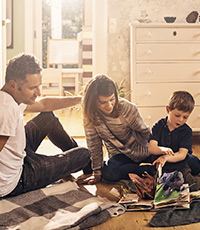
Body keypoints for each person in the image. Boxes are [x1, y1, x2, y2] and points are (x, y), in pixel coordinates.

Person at [0, 53, 91, 198]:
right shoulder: (7, 109)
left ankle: (85, 165)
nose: (38, 92)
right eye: (32, 88)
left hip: (19, 155)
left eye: (39, 86)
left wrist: (80, 99)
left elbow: (44, 104)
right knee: (84, 154)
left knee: (47, 117)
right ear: (13, 84)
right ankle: (88, 165)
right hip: (17, 180)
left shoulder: (8, 97)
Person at [78, 74, 155, 185]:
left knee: (173, 162)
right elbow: (94, 145)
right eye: (103, 102)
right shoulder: (90, 116)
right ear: (93, 101)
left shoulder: (127, 108)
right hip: (120, 156)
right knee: (109, 174)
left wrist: (158, 150)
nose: (109, 106)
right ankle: (150, 170)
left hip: (143, 151)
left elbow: (145, 132)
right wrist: (97, 173)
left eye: (112, 99)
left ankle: (148, 169)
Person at [148, 90, 200, 191]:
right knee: (157, 185)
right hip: (161, 167)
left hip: (180, 165)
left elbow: (182, 154)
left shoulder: (186, 131)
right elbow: (152, 148)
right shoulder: (157, 126)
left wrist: (166, 157)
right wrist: (162, 150)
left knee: (188, 183)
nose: (181, 120)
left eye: (185, 117)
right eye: (177, 115)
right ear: (168, 109)